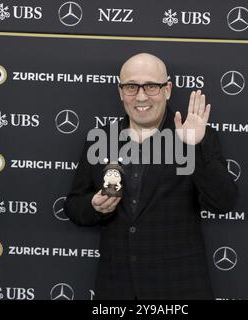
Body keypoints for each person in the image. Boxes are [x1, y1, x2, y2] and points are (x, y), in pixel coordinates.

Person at [64, 53, 237, 299]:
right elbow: (73, 205)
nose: (141, 96)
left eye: (151, 86)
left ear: (167, 90)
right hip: (116, 288)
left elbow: (224, 202)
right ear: (120, 92)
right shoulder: (101, 139)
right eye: (132, 87)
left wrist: (192, 147)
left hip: (179, 289)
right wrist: (94, 206)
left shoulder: (196, 136)